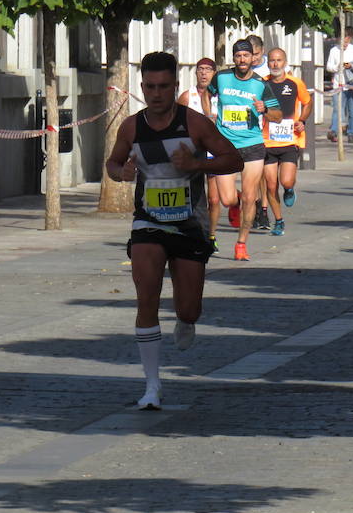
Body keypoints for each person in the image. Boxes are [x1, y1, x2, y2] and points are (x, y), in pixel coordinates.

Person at [105, 52, 242, 410]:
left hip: (188, 224)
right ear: (142, 87)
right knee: (146, 295)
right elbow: (113, 162)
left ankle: (187, 319)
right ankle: (152, 386)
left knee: (189, 308)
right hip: (148, 221)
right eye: (150, 86)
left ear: (174, 87)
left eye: (163, 86)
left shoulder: (194, 124)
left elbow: (233, 159)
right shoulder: (132, 127)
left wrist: (197, 164)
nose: (156, 93)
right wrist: (121, 173)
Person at [208, 39, 282, 261]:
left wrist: (265, 108)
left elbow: (278, 115)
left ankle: (241, 243)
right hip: (225, 145)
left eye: (246, 56)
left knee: (250, 198)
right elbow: (207, 92)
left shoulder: (261, 84)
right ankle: (235, 203)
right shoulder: (221, 77)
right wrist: (208, 116)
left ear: (253, 58)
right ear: (234, 58)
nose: (242, 60)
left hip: (252, 145)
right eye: (238, 56)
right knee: (228, 199)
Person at [261, 48, 312, 236]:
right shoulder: (262, 84)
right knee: (271, 184)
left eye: (279, 60)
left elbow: (308, 102)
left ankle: (289, 190)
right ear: (268, 63)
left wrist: (302, 121)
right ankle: (279, 221)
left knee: (286, 181)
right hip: (267, 141)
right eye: (272, 61)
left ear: (285, 62)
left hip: (290, 140)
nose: (275, 64)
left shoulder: (295, 83)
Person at [178, 57, 221, 253]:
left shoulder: (221, 97)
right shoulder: (188, 96)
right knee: (193, 197)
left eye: (208, 70)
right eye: (200, 69)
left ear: (214, 73)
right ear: (195, 73)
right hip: (193, 154)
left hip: (213, 153)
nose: (204, 73)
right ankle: (192, 233)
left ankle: (211, 235)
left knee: (213, 199)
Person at [246, 34, 271, 229]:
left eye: (255, 54)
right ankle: (252, 203)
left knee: (262, 173)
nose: (251, 59)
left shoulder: (267, 72)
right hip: (244, 128)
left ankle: (262, 208)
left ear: (261, 52)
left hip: (264, 127)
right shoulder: (241, 68)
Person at [325, 26, 353, 143]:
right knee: (338, 109)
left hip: (351, 84)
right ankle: (334, 131)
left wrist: (351, 65)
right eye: (342, 41)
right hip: (338, 84)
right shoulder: (334, 51)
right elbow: (329, 67)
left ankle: (351, 132)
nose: (344, 44)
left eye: (347, 41)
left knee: (352, 110)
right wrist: (337, 67)